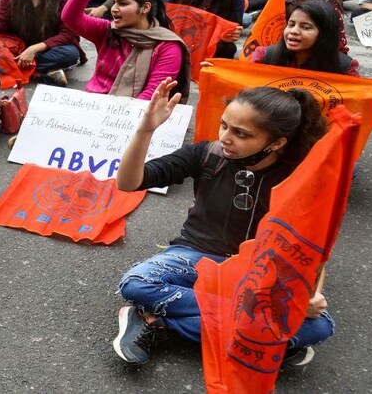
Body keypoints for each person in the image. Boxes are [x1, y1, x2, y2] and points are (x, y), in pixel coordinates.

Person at [112, 82, 334, 366]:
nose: (225, 138)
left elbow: (314, 246)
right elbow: (128, 182)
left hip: (260, 270)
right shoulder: (207, 154)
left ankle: (157, 321)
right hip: (195, 256)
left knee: (319, 326)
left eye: (241, 133)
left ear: (277, 142)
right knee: (137, 283)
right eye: (224, 125)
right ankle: (259, 334)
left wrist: (312, 296)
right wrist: (145, 130)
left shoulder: (302, 176)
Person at [63, 0, 190, 99]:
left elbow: (153, 93)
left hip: (137, 108)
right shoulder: (108, 30)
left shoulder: (167, 46)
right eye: (114, 2)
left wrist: (119, 111)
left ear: (145, 8)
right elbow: (70, 18)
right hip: (94, 102)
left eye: (123, 3)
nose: (114, 9)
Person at [250, 0, 358, 75]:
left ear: (325, 33)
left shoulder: (344, 67)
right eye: (291, 25)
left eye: (305, 27)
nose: (294, 31)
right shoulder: (264, 57)